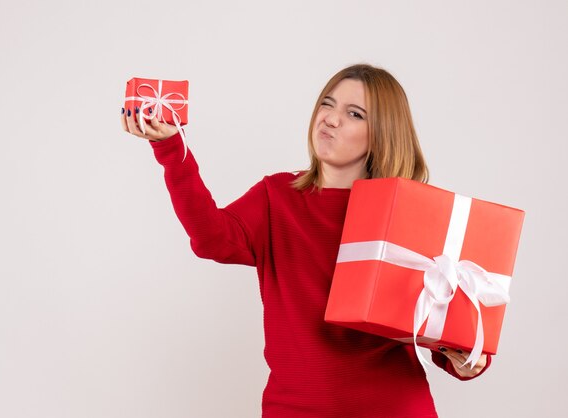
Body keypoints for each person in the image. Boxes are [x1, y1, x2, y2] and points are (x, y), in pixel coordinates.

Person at [121, 63, 491, 417]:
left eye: (354, 114)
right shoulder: (277, 196)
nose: (330, 118)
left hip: (393, 409)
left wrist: (465, 360)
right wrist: (171, 149)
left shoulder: (409, 210)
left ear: (382, 133)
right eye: (327, 104)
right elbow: (211, 239)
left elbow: (442, 320)